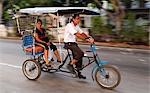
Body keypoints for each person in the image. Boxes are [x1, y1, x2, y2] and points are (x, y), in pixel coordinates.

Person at [64, 14, 94, 79]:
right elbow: (77, 34)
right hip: (68, 44)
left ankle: (79, 73)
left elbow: (82, 33)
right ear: (73, 19)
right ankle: (70, 65)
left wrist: (88, 37)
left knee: (79, 57)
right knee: (80, 53)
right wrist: (86, 39)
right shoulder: (69, 26)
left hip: (73, 43)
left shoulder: (76, 26)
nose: (79, 20)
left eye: (79, 19)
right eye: (77, 19)